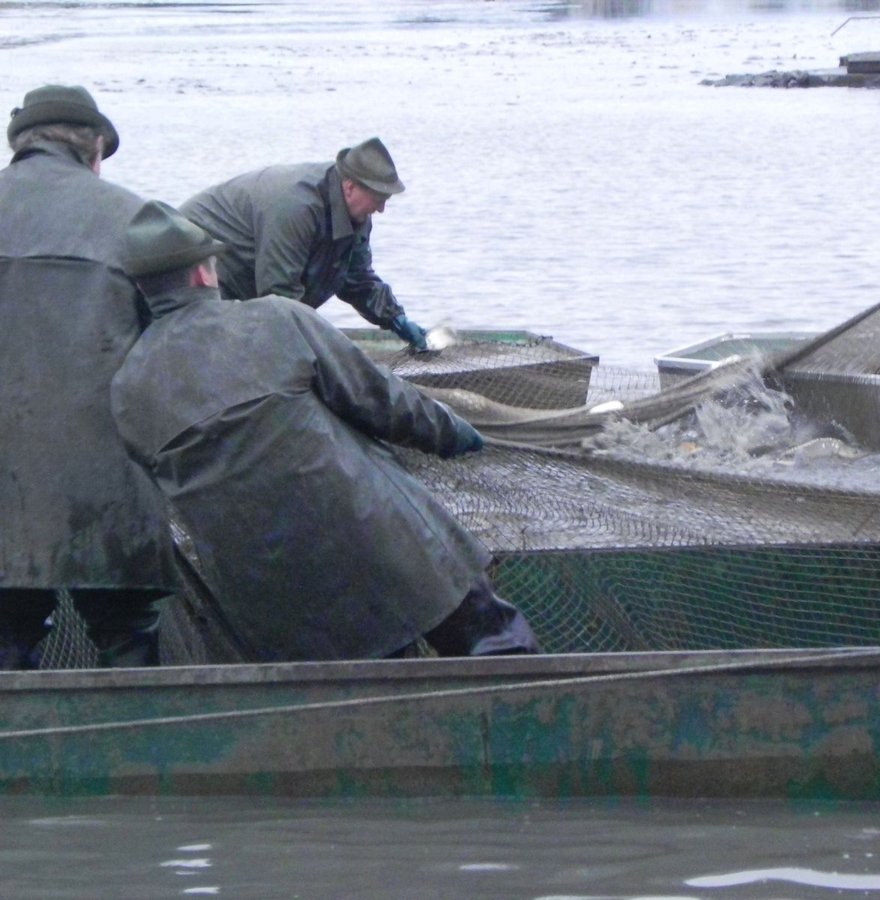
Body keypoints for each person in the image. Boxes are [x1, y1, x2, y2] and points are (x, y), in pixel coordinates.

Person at [110, 200, 540, 661]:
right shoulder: (275, 318)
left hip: (277, 599)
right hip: (382, 544)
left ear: (143, 287)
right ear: (201, 274)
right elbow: (381, 399)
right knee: (494, 644)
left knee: (369, 701)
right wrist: (450, 432)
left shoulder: (125, 390)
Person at [0, 85, 175, 669]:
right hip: (111, 493)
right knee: (127, 636)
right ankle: (137, 748)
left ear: (21, 145)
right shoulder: (140, 220)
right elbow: (186, 352)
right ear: (94, 150)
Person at [179, 137, 430, 350]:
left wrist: (395, 317)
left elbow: (356, 278)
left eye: (386, 199)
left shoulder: (358, 215)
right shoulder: (296, 207)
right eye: (378, 198)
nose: (382, 208)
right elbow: (280, 295)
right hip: (197, 262)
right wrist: (325, 346)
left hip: (251, 279)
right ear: (351, 186)